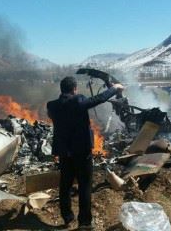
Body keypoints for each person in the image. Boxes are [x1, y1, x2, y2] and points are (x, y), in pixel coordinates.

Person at [47, 76, 124, 229]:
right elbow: (100, 98)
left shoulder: (52, 105)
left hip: (64, 153)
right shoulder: (78, 101)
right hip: (81, 152)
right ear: (75, 89)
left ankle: (67, 217)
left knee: (65, 185)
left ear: (62, 89)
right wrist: (115, 88)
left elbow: (52, 116)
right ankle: (84, 222)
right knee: (84, 186)